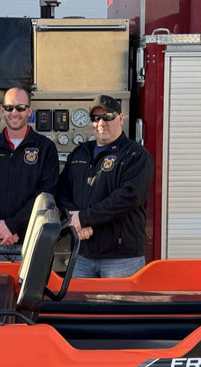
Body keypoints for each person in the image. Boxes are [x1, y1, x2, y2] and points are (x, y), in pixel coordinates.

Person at [57, 94, 154, 278]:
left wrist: (84, 218)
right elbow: (62, 192)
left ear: (120, 118)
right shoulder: (80, 153)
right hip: (81, 253)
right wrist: (75, 221)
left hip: (121, 258)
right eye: (96, 118)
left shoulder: (135, 155)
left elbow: (128, 197)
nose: (101, 123)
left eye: (107, 116)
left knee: (119, 307)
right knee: (80, 305)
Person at [0, 87, 59, 261]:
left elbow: (45, 194)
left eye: (20, 108)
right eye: (10, 108)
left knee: (29, 289)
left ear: (29, 111)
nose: (14, 113)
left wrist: (12, 226)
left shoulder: (45, 148)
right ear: (2, 110)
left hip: (30, 239)